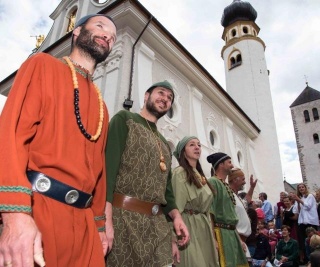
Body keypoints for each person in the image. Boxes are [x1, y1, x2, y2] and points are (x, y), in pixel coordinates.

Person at [0, 14, 117, 267]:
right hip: (38, 211)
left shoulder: (102, 106)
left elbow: (99, 173)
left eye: (113, 36)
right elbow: (10, 135)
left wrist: (99, 226)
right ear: (76, 32)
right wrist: (15, 212)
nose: (108, 35)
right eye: (100, 26)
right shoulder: (42, 65)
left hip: (86, 227)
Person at [105, 80, 190, 267]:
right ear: (146, 96)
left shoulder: (164, 144)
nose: (165, 99)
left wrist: (176, 218)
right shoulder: (125, 120)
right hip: (123, 220)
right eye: (161, 93)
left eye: (169, 98)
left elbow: (166, 192)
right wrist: (105, 220)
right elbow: (107, 171)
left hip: (157, 227)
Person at [171, 136, 219, 266]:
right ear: (183, 151)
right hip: (188, 227)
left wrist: (213, 238)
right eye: (191, 145)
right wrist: (173, 239)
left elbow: (207, 211)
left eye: (198, 144)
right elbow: (175, 207)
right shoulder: (180, 173)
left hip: (204, 228)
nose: (197, 147)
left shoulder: (200, 175)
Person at [207, 152, 249, 267]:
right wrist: (213, 239)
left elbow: (231, 216)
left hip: (232, 234)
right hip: (221, 233)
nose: (232, 165)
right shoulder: (213, 182)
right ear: (221, 164)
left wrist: (239, 240)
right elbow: (210, 212)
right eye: (229, 162)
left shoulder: (226, 186)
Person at [228, 168, 258, 263]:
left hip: (242, 241)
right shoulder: (229, 195)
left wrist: (252, 187)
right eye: (243, 179)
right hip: (236, 239)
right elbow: (229, 219)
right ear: (235, 179)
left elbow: (247, 200)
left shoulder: (237, 197)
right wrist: (238, 239)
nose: (244, 182)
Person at [291, 183, 319, 264]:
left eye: (302, 187)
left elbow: (308, 206)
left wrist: (299, 200)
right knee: (303, 241)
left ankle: (315, 259)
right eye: (299, 187)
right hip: (302, 222)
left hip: (310, 221)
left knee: (313, 240)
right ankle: (307, 259)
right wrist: (297, 201)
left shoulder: (310, 196)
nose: (301, 188)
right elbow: (296, 211)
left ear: (305, 188)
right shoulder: (299, 198)